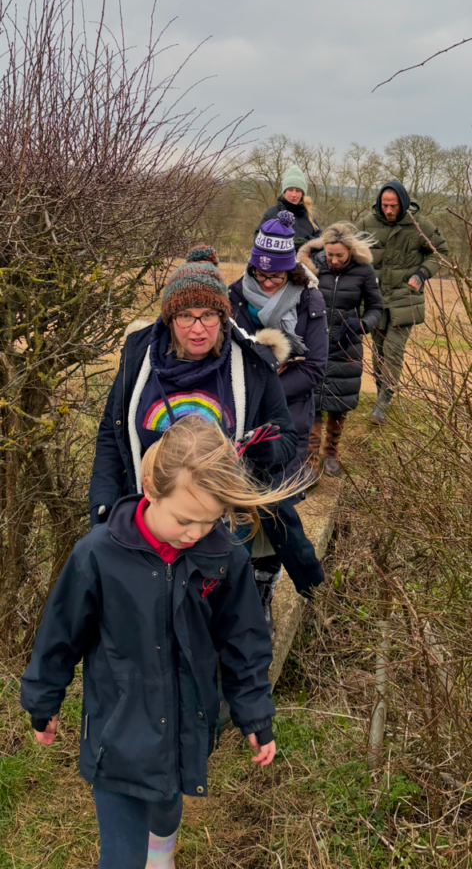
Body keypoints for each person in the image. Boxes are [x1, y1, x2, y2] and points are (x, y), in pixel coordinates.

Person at [21, 416, 298, 869]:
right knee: (121, 854)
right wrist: (43, 700)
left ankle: (162, 853)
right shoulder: (98, 553)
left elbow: (244, 642)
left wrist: (254, 713)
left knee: (168, 800)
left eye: (210, 522)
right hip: (117, 723)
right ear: (151, 489)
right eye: (185, 520)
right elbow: (60, 632)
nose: (195, 533)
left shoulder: (224, 557)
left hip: (185, 719)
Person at [89, 246, 324, 611]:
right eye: (185, 315)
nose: (198, 328)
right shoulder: (139, 358)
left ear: (223, 315)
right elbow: (111, 431)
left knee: (216, 616)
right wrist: (103, 504)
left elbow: (286, 437)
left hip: (223, 524)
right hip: (151, 516)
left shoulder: (250, 364)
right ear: (169, 317)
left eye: (209, 315)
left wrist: (264, 451)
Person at [229, 209, 328, 483]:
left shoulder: (310, 302)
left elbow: (314, 369)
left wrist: (266, 392)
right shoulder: (233, 297)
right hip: (240, 410)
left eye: (277, 276)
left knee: (280, 492)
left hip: (288, 413)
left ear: (290, 271)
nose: (268, 283)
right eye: (260, 275)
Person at [357, 180, 448, 424]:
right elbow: (348, 250)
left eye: (393, 205)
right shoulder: (366, 224)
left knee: (393, 351)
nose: (388, 210)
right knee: (378, 353)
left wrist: (421, 274)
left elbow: (440, 253)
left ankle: (383, 403)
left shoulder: (419, 224)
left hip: (404, 298)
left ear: (403, 203)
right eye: (385, 205)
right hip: (375, 299)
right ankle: (380, 395)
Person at [299, 223, 383, 476]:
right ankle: (311, 460)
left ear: (350, 251)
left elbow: (376, 308)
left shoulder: (364, 271)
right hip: (312, 344)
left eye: (339, 256)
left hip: (346, 345)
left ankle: (332, 453)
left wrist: (361, 325)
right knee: (311, 401)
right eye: (329, 254)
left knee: (338, 402)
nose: (333, 260)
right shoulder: (311, 266)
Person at [256, 165, 321, 250]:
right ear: (284, 191)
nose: (294, 195)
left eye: (298, 191)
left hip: (303, 262)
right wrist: (283, 244)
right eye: (290, 190)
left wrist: (307, 243)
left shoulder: (309, 217)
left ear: (302, 194)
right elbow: (257, 239)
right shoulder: (271, 213)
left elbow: (321, 241)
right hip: (278, 262)